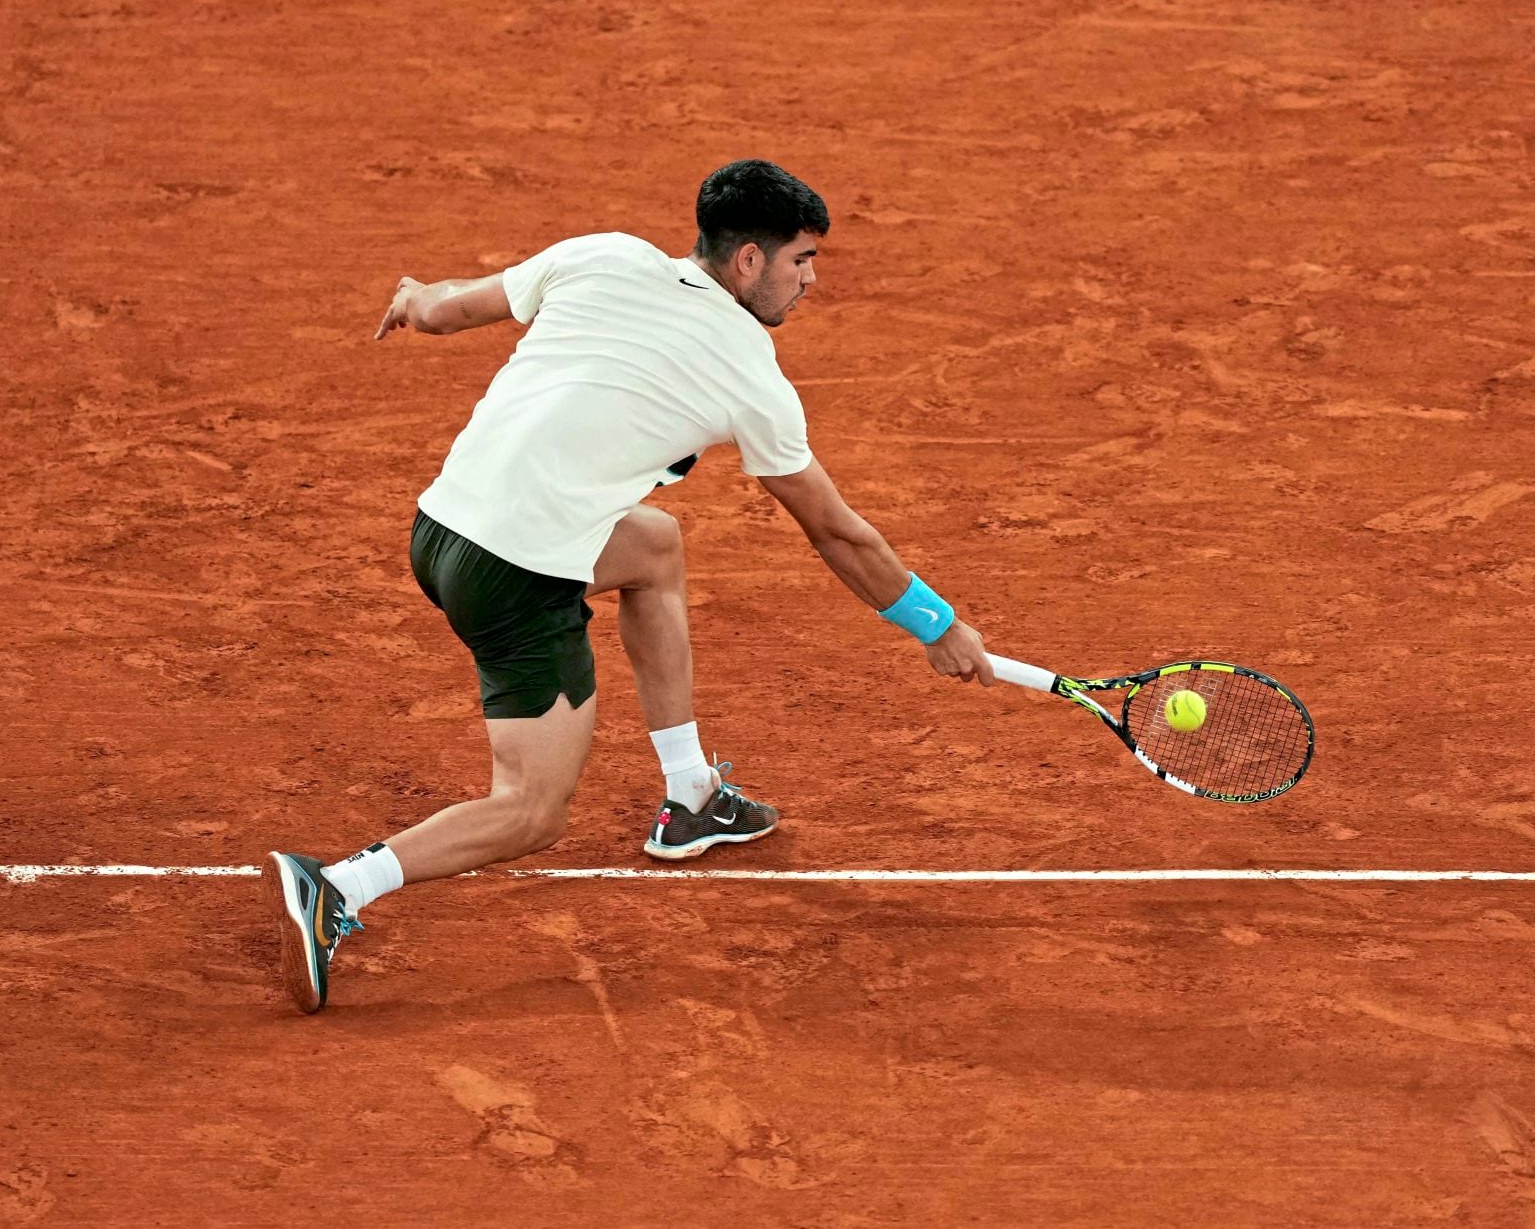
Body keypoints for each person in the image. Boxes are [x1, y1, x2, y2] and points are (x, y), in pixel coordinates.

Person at [264, 159, 995, 1014]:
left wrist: (417, 299)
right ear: (749, 261)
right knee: (533, 811)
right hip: (513, 573)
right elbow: (836, 530)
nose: (811, 281)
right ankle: (340, 886)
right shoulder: (750, 375)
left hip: (438, 530)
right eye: (802, 260)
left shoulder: (602, 254)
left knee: (652, 544)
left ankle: (691, 793)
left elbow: (449, 307)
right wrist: (937, 625)